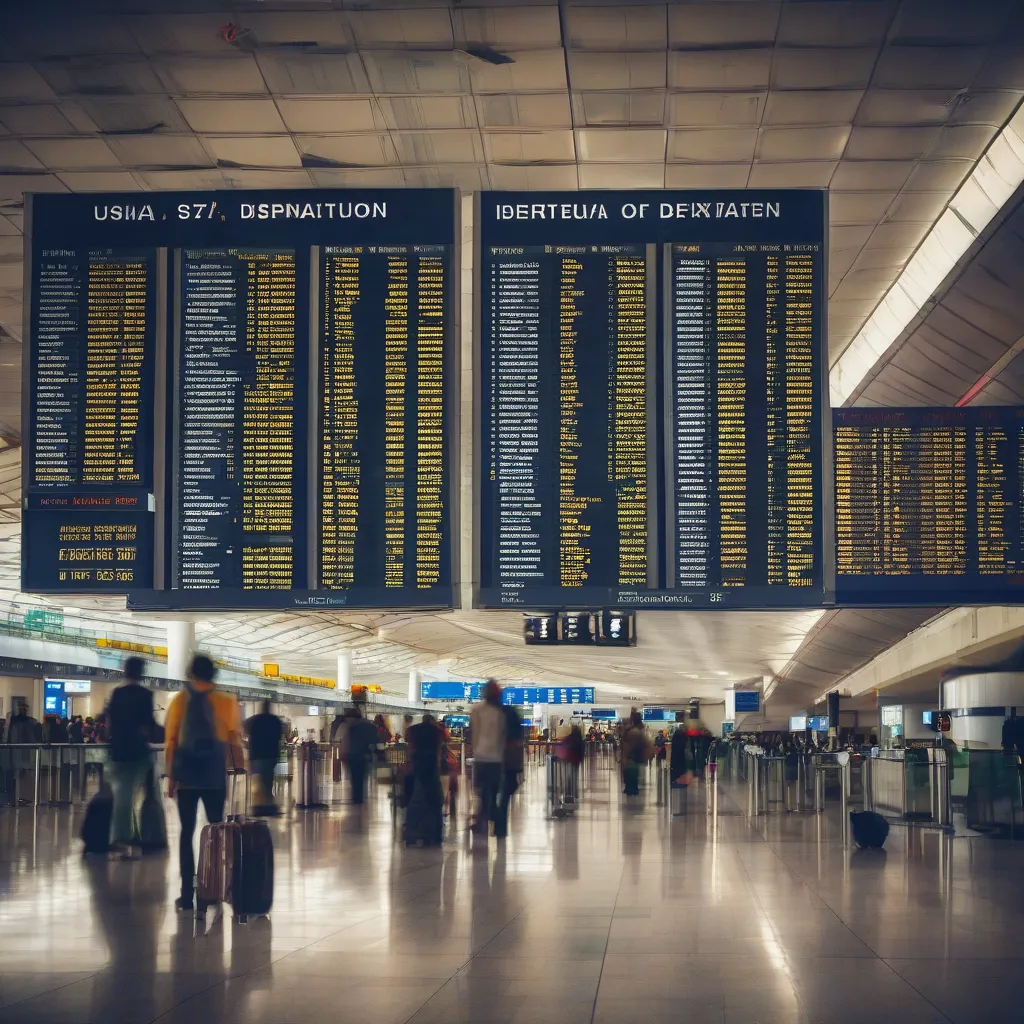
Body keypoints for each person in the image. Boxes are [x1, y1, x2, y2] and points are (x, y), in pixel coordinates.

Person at [164, 654, 243, 912]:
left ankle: (187, 895)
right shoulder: (226, 701)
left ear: (191, 673)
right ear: (213, 675)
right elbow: (234, 740)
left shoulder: (179, 700)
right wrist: (240, 771)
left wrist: (170, 777)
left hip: (186, 776)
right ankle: (214, 890)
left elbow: (171, 743)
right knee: (217, 833)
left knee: (187, 833)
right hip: (213, 775)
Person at [105, 655, 157, 860]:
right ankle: (127, 837)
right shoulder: (145, 695)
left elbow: (111, 720)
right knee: (138, 795)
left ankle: (126, 837)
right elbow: (148, 724)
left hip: (118, 751)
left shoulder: (117, 693)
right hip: (138, 752)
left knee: (123, 794)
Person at [469, 680, 507, 834]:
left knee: (482, 789)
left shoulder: (476, 710)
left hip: (481, 757)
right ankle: (490, 817)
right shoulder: (501, 711)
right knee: (492, 789)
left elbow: (475, 734)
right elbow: (503, 735)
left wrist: (475, 751)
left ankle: (483, 819)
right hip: (496, 757)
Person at [245, 700, 283, 815]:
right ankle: (267, 805)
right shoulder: (274, 720)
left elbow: (246, 729)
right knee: (268, 781)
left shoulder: (254, 720)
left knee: (259, 782)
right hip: (270, 755)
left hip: (256, 755)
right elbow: (280, 735)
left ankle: (259, 806)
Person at [495, 702, 524, 839]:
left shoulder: (497, 728)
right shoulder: (514, 734)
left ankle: (495, 822)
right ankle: (499, 827)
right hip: (509, 767)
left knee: (495, 793)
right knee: (505, 794)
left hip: (495, 763)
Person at [341, 706, 378, 805]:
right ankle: (358, 797)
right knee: (360, 777)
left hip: (356, 756)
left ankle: (357, 797)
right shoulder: (367, 726)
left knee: (356, 777)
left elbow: (350, 742)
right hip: (362, 756)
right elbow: (374, 740)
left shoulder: (355, 727)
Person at [621, 712, 650, 796]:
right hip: (637, 756)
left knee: (630, 772)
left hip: (632, 756)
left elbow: (629, 745)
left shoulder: (633, 731)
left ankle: (631, 788)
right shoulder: (641, 731)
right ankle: (633, 788)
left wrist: (625, 756)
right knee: (634, 773)